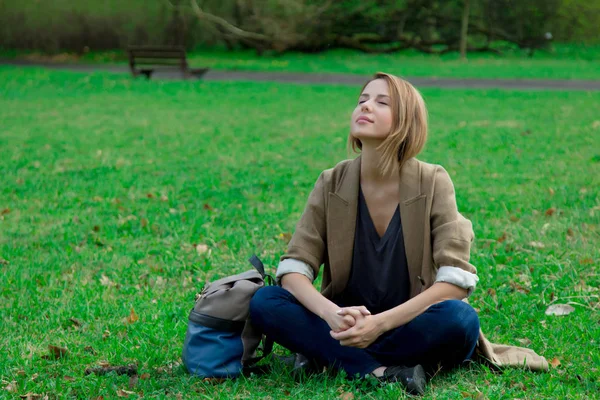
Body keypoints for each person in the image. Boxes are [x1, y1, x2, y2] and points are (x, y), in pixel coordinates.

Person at [249, 72, 546, 396]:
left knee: (460, 320)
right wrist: (330, 314)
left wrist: (379, 324)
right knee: (266, 301)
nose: (365, 107)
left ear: (406, 121)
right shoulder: (331, 182)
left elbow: (455, 281)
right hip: (343, 323)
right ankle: (381, 371)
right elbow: (294, 269)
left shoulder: (433, 182)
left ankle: (329, 357)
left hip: (407, 321)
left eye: (381, 102)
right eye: (362, 100)